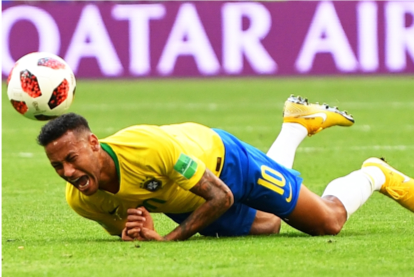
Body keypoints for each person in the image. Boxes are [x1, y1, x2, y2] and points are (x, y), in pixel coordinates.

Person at [37, 95, 413, 241]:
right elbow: (129, 229)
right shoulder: (83, 201)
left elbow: (221, 194)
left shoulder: (147, 146)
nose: (67, 172)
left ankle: (375, 174)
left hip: (227, 164)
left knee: (327, 222)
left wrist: (171, 240)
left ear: (93, 143)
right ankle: (296, 124)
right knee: (270, 224)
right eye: (58, 166)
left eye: (71, 159)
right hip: (187, 199)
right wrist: (139, 231)